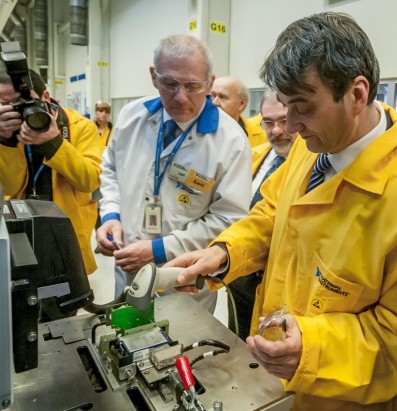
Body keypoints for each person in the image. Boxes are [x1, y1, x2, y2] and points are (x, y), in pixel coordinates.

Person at [166, 12, 397, 410]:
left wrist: (313, 348)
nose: (289, 126)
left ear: (357, 95)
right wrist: (225, 253)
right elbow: (273, 212)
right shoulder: (313, 147)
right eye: (284, 107)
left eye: (303, 108)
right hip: (271, 383)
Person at [96, 34, 252, 312]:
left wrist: (159, 249)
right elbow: (110, 170)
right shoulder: (132, 116)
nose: (180, 97)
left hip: (183, 277)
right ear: (154, 76)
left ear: (210, 83)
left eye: (192, 85)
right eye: (169, 83)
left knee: (181, 347)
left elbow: (228, 219)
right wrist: (110, 216)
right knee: (125, 335)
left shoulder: (231, 141)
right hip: (128, 264)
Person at [0, 68, 103, 277]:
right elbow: (10, 187)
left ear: (45, 97)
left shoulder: (80, 126)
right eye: (5, 104)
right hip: (23, 229)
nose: (16, 111)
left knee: (65, 302)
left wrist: (54, 142)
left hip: (67, 233)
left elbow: (90, 181)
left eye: (22, 103)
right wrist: (6, 141)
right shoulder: (6, 131)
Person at [227, 89, 298, 340]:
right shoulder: (255, 154)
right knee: (236, 334)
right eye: (268, 122)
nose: (276, 131)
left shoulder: (313, 167)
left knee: (266, 347)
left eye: (284, 121)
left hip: (276, 281)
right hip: (238, 270)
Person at [210, 76, 267, 147]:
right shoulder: (197, 133)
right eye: (212, 96)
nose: (214, 103)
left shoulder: (263, 138)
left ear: (241, 103)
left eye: (222, 97)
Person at [93, 101, 114, 231]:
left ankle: (107, 232)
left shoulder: (114, 129)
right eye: (100, 111)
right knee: (94, 204)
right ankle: (98, 233)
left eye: (106, 111)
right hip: (94, 170)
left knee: (108, 203)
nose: (103, 114)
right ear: (95, 112)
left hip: (108, 171)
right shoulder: (89, 128)